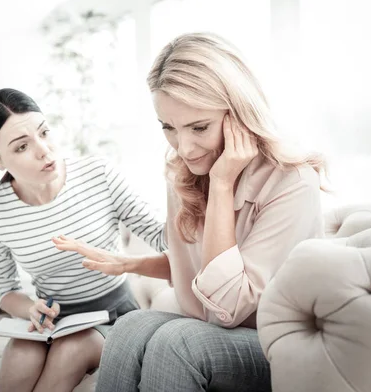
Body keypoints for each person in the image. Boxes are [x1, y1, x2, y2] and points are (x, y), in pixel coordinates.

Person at [52, 32, 326, 391]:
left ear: (240, 116)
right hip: (206, 333)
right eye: (169, 128)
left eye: (199, 127)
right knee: (130, 327)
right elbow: (196, 271)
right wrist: (129, 263)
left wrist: (223, 185)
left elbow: (227, 307)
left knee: (178, 341)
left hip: (280, 347)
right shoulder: (186, 173)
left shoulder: (292, 184)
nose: (184, 147)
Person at [0, 88, 167, 392]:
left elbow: (161, 236)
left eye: (44, 132)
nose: (44, 151)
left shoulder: (98, 174)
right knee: (21, 355)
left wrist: (188, 192)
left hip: (115, 315)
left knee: (71, 350)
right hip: (52, 320)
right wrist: (30, 309)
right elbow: (5, 290)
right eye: (22, 147)